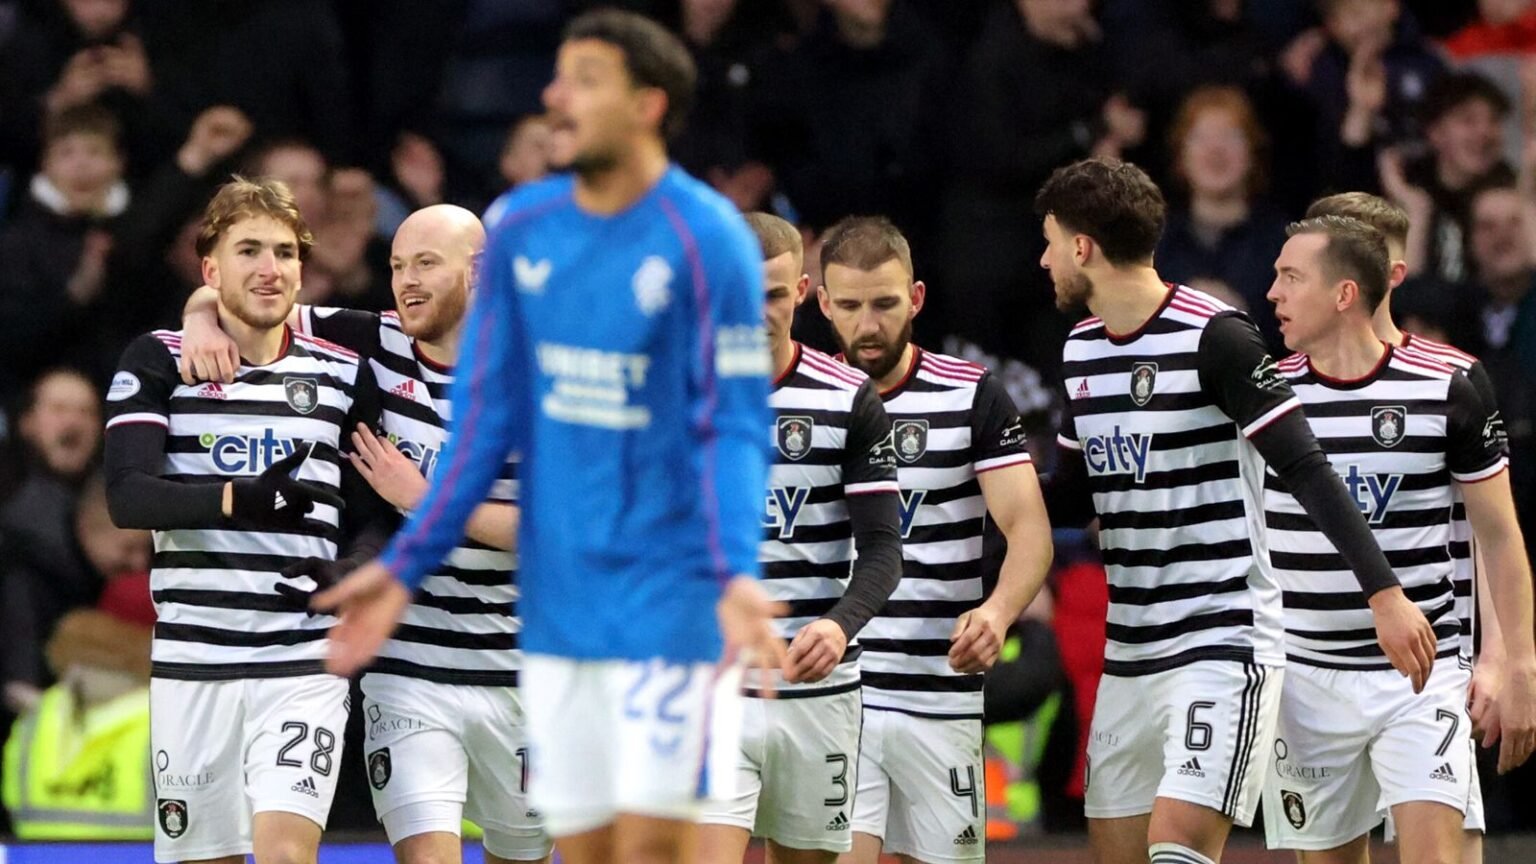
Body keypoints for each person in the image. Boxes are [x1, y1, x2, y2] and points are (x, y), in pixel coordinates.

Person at [309, 10, 786, 864]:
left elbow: (737, 428)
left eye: (584, 79)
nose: (555, 96)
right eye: (558, 75)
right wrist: (406, 563)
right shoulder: (524, 226)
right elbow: (486, 423)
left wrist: (735, 569)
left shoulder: (709, 237)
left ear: (648, 104)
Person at [1035, 156, 1436, 864]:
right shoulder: (1080, 349)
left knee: (1177, 848)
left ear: (1081, 246)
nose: (1043, 261)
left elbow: (1306, 466)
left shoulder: (1215, 334)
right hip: (1130, 650)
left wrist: (1384, 592)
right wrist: (976, 494)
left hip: (1222, 642)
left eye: (1048, 241)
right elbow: (1070, 493)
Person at [176, 203, 550, 864]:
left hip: (520, 668)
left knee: (519, 854)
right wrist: (199, 314)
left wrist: (424, 499)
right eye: (397, 265)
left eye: (426, 264)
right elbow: (250, 297)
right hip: (408, 671)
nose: (405, 281)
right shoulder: (373, 341)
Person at [101, 175, 391, 864]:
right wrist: (235, 499)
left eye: (285, 253)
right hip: (192, 663)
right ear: (211, 268)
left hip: (300, 661)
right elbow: (127, 497)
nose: (270, 269)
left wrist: (354, 569)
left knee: (286, 854)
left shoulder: (343, 366)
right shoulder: (160, 359)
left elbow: (387, 512)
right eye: (249, 251)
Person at [1260, 214, 1536, 864]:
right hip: (1306, 673)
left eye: (1290, 277)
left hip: (1421, 672)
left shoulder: (1450, 384)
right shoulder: (1265, 397)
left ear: (1344, 292)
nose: (1272, 293)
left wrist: (1511, 661)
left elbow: (1497, 535)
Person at [812, 215, 1053, 864]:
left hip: (939, 690)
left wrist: (998, 614)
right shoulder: (801, 402)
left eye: (886, 304)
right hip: (842, 691)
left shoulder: (971, 395)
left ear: (916, 298)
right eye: (852, 306)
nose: (869, 325)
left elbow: (1028, 528)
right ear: (824, 302)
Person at [695, 212, 902, 864]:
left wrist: (840, 626)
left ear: (803, 291)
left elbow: (883, 549)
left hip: (818, 691)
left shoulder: (849, 400)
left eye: (776, 295)